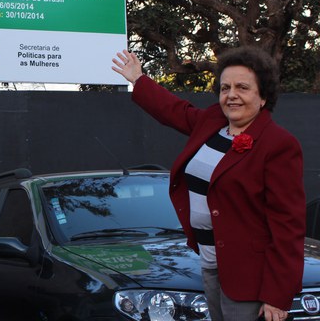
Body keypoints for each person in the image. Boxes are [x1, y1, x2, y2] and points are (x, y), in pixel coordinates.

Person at [112, 47, 304, 321]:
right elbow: (174, 110)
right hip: (211, 264)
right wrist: (139, 79)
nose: (231, 95)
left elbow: (288, 226)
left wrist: (277, 296)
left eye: (242, 87)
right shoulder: (212, 122)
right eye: (225, 88)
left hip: (250, 276)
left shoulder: (278, 144)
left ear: (263, 97)